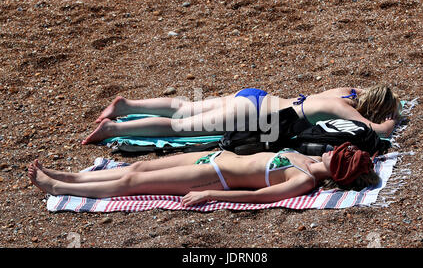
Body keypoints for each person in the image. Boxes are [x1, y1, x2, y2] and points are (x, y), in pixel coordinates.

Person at [27, 142, 379, 206]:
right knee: (135, 167)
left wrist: (211, 195)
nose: (336, 149)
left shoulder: (304, 181)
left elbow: (257, 197)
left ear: (339, 170)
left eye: (342, 155)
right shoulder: (306, 156)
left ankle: (57, 188)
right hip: (214, 158)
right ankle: (70, 176)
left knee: (131, 184)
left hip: (215, 178)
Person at [81, 85, 400, 145]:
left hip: (256, 96)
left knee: (184, 108)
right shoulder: (343, 108)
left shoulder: (345, 93)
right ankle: (111, 129)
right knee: (180, 129)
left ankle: (127, 106)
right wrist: (394, 119)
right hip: (258, 115)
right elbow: (379, 130)